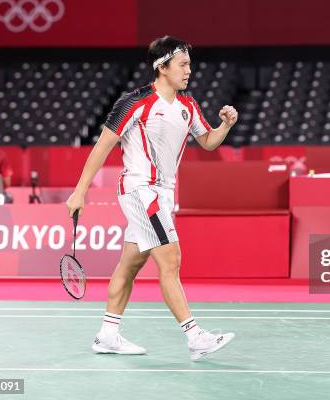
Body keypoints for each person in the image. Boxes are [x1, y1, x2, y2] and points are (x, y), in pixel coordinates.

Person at [66, 36, 238, 360]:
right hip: (139, 189)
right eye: (183, 64)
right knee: (170, 259)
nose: (189, 70)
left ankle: (107, 334)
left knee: (131, 263)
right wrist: (79, 191)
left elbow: (209, 142)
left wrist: (225, 125)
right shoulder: (135, 103)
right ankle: (194, 335)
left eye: (189, 64)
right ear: (162, 67)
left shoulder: (188, 106)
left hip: (163, 194)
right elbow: (102, 147)